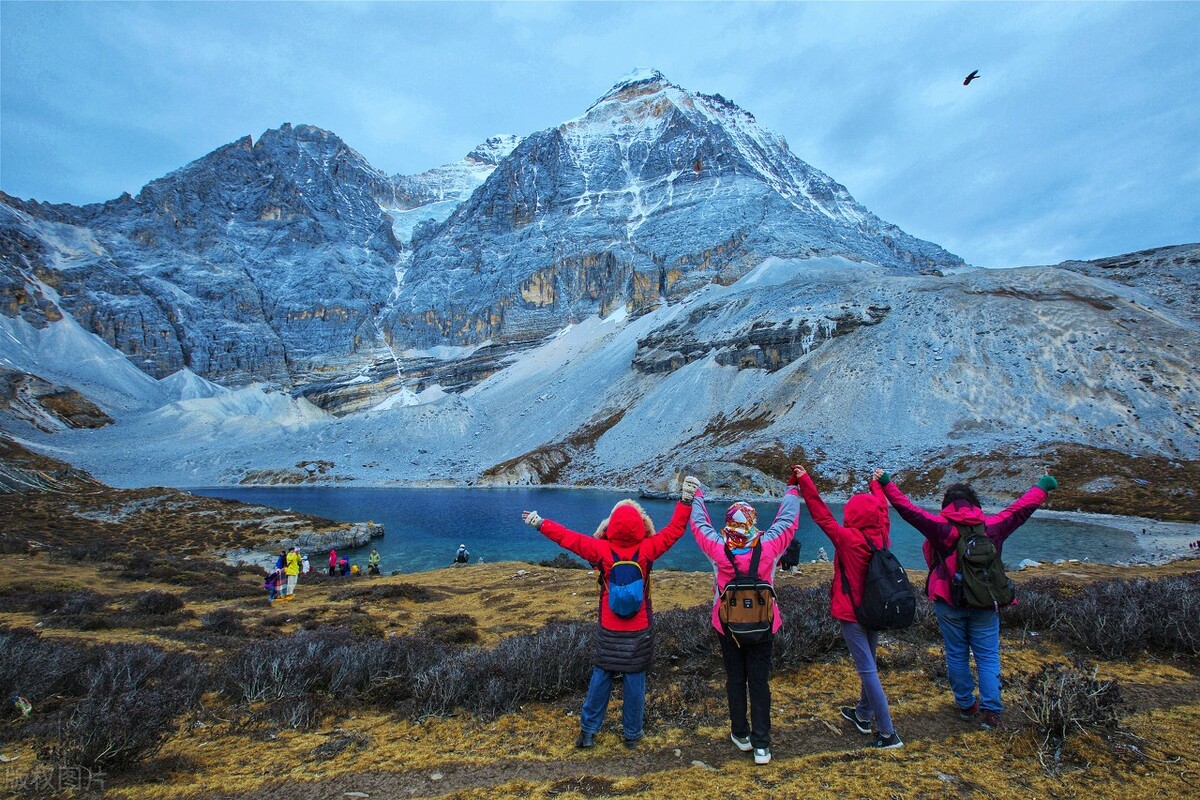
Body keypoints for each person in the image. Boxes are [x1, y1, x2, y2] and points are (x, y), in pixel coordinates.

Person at [880, 469, 1058, 730]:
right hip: (986, 603)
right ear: (975, 504)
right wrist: (1042, 486)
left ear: (946, 505)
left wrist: (886, 484)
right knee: (987, 656)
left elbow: (908, 510)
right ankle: (991, 711)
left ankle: (966, 705)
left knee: (956, 654)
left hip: (949, 601)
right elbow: (1021, 509)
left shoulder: (942, 528)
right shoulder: (992, 527)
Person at [522, 489, 692, 750]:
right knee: (635, 680)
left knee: (602, 675)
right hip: (639, 628)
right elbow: (675, 529)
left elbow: (567, 538)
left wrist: (539, 522)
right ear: (641, 525)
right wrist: (685, 501)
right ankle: (632, 735)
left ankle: (588, 732)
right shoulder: (648, 549)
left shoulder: (599, 549)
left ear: (610, 525)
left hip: (609, 627)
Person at [689, 469, 801, 765]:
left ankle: (740, 734)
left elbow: (699, 524)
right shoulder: (770, 546)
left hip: (727, 626)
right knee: (760, 682)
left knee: (735, 679)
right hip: (764, 625)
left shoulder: (717, 548)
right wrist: (792, 489)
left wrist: (697, 496)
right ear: (753, 522)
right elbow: (787, 521)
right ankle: (762, 746)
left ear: (728, 523)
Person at [795, 464, 902, 749]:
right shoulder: (882, 536)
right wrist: (877, 486)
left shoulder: (847, 538)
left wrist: (805, 480)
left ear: (852, 515)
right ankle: (863, 714)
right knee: (870, 664)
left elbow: (820, 514)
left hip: (853, 614)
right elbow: (882, 510)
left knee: (867, 669)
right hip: (876, 610)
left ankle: (889, 733)